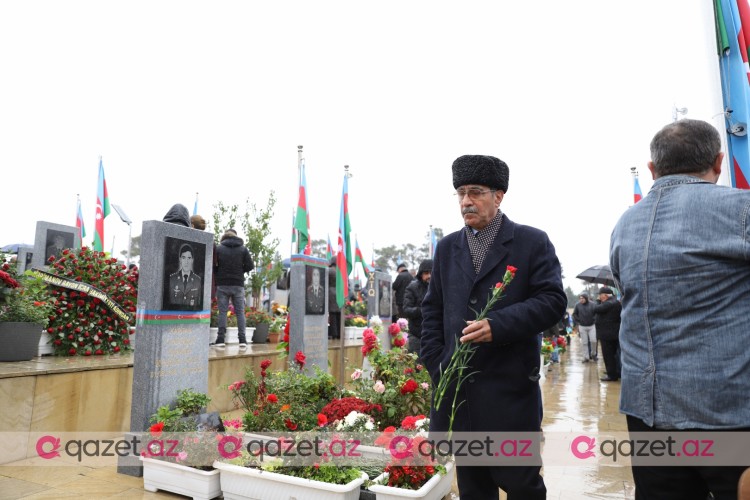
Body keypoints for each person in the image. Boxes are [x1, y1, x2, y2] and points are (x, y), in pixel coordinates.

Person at [610, 119, 750, 499]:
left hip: (647, 411)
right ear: (719, 163)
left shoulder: (625, 223)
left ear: (653, 169)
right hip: (727, 410)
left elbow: (625, 294)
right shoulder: (741, 208)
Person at [421, 155, 567, 500]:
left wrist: (498, 324)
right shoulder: (447, 248)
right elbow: (432, 309)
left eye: (475, 192)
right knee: (473, 488)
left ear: (498, 196)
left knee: (522, 484)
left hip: (509, 391)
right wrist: (435, 361)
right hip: (461, 396)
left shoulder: (531, 242)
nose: (466, 201)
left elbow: (552, 302)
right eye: (460, 193)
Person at [212, 229, 254, 348]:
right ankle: (242, 340)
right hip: (238, 284)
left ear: (224, 236)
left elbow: (214, 266)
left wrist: (219, 274)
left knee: (223, 312)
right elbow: (250, 266)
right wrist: (240, 271)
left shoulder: (219, 248)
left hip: (222, 284)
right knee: (240, 313)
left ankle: (220, 339)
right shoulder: (243, 249)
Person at [402, 259, 432, 355]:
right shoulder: (412, 287)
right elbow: (406, 310)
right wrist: (422, 310)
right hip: (417, 336)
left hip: (435, 336)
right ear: (421, 274)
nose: (429, 276)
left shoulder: (439, 288)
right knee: (417, 366)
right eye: (426, 273)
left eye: (432, 272)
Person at [593, 286, 620, 381]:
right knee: (614, 355)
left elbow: (595, 308)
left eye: (600, 295)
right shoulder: (615, 301)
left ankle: (612, 375)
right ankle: (614, 372)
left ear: (605, 296)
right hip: (613, 333)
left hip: (607, 334)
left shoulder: (608, 303)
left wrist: (597, 301)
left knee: (608, 356)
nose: (599, 297)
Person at [191, 214, 217, 300]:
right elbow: (214, 263)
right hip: (207, 283)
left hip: (193, 282)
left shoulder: (189, 239)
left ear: (192, 225)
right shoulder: (211, 241)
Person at [168, 243, 203, 308]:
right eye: (183, 258)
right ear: (180, 259)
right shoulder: (172, 279)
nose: (186, 262)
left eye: (189, 258)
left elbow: (198, 303)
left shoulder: (197, 280)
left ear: (192, 260)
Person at [572, 293, 597, 363]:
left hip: (591, 325)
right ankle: (586, 357)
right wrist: (578, 321)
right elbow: (574, 314)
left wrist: (594, 319)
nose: (581, 300)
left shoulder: (592, 304)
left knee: (593, 340)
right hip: (582, 326)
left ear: (586, 298)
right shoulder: (577, 305)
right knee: (584, 342)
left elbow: (596, 313)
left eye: (582, 298)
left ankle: (593, 354)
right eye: (580, 298)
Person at [327, 258, 341, 339]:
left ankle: (334, 334)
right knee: (338, 314)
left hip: (331, 293)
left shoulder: (329, 270)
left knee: (332, 314)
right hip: (339, 293)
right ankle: (339, 333)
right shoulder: (340, 271)